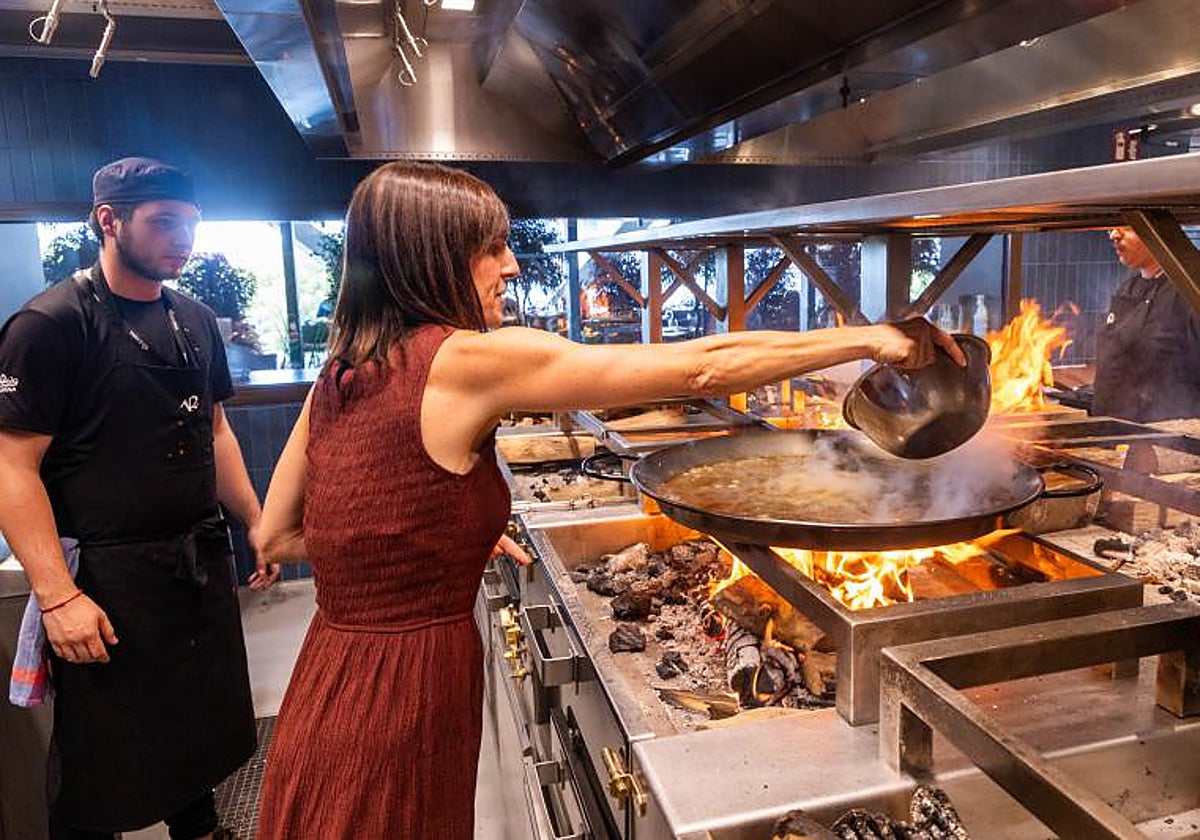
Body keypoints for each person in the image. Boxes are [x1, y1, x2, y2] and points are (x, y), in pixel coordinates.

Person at [252, 161, 963, 839]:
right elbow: (702, 366)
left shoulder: (341, 372)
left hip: (328, 685)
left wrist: (427, 547)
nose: (512, 265)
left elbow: (279, 537)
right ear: (433, 256)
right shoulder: (459, 358)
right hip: (401, 700)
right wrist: (872, 340)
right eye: (491, 247)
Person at [0, 157, 278, 840]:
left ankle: (203, 830)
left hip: (195, 561)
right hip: (106, 577)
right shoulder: (51, 324)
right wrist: (60, 596)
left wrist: (257, 518)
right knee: (103, 752)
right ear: (108, 220)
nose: (181, 239)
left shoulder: (193, 317)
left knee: (197, 726)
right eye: (163, 223)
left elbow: (214, 431)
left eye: (189, 224)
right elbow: (11, 467)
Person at [1092, 226, 1200, 422]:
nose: (1113, 235)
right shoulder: (1130, 286)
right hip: (1117, 429)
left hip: (1169, 436)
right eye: (1112, 227)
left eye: (1128, 227)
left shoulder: (1190, 289)